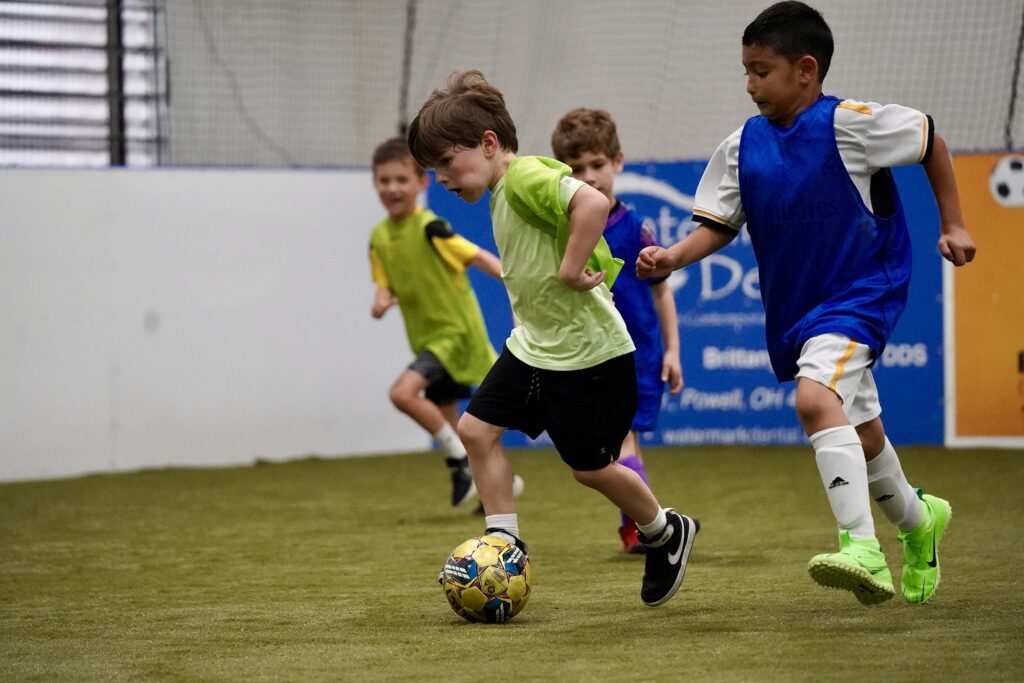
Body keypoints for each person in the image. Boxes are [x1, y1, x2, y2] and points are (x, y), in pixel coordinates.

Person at [637, 1, 976, 606]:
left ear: (806, 69)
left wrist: (953, 224)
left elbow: (930, 140)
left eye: (760, 71)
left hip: (861, 294)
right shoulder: (743, 145)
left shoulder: (851, 122)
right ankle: (920, 523)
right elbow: (719, 224)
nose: (749, 85)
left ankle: (862, 550)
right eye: (744, 70)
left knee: (815, 401)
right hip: (797, 311)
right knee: (864, 436)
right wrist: (673, 258)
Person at [408, 70, 699, 608]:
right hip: (536, 346)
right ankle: (504, 542)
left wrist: (569, 269)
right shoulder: (500, 188)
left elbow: (588, 203)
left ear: (489, 144)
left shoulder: (522, 178)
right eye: (434, 169)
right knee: (475, 431)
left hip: (590, 354)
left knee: (589, 469)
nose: (442, 178)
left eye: (446, 162)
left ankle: (664, 531)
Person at [551, 108, 684, 554]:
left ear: (618, 161)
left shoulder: (634, 229)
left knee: (621, 442)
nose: (589, 178)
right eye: (576, 170)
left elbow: (661, 293)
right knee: (616, 448)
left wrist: (672, 351)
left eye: (597, 166)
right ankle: (644, 527)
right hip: (586, 353)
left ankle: (653, 528)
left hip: (632, 354)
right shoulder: (563, 229)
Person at [369, 136, 519, 510]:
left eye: (401, 179)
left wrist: (522, 279)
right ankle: (503, 484)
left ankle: (456, 463)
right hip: (425, 339)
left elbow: (479, 258)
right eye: (384, 180)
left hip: (454, 336)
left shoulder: (431, 228)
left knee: (402, 394)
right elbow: (384, 286)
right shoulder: (378, 238)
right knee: (461, 430)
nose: (392, 188)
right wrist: (382, 302)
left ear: (421, 183)